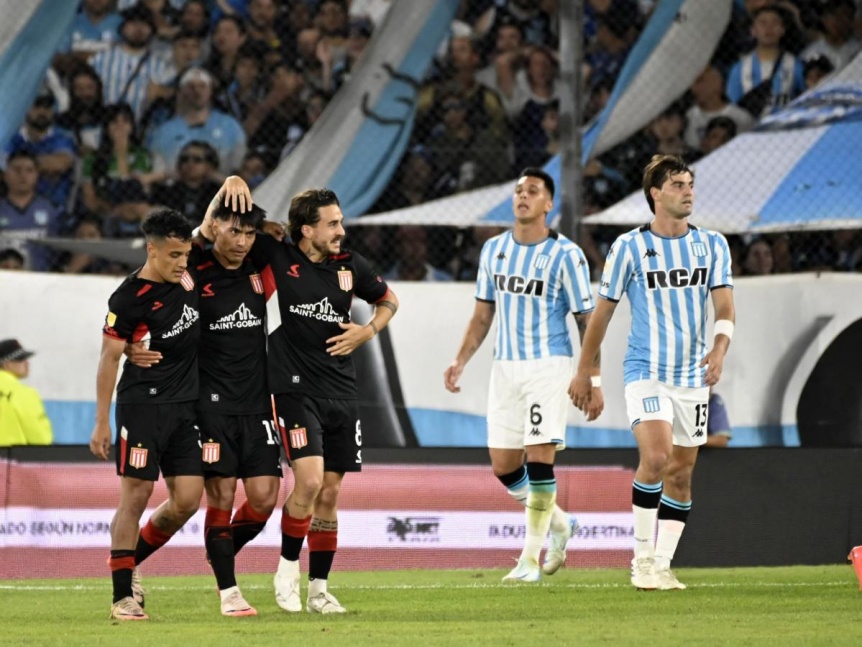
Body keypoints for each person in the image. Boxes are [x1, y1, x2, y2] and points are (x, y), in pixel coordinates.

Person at [199, 183, 399, 614]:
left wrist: (368, 330)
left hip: (342, 390)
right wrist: (227, 190)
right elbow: (214, 232)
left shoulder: (350, 266)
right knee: (308, 481)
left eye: (340, 222)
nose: (340, 230)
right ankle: (287, 570)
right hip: (292, 388)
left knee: (329, 492)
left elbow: (388, 300)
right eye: (332, 224)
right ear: (306, 230)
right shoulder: (276, 254)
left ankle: (319, 590)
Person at [571, 154, 735, 591]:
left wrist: (719, 348)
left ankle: (662, 564)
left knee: (681, 473)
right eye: (678, 184)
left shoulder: (713, 245)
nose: (688, 192)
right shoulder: (627, 247)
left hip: (692, 376)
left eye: (690, 184)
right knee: (658, 457)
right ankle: (641, 560)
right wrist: (585, 372)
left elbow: (724, 307)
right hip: (645, 370)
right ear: (655, 194)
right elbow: (601, 315)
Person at [128, 181, 280, 617]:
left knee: (267, 498)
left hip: (255, 405)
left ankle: (215, 550)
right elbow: (169, 262)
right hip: (208, 404)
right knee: (220, 496)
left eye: (249, 233)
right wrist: (224, 189)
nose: (242, 241)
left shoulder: (257, 267)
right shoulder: (193, 269)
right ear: (215, 228)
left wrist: (271, 228)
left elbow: (284, 240)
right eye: (234, 231)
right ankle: (228, 592)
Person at [443, 167, 603, 583]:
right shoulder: (494, 250)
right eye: (517, 190)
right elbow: (483, 314)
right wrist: (461, 360)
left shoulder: (566, 254)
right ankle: (560, 523)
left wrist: (592, 378)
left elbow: (587, 321)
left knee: (539, 460)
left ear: (549, 204)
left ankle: (529, 560)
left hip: (548, 366)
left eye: (532, 191)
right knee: (504, 465)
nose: (523, 196)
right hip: (504, 368)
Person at [90, 208, 204, 621]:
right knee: (135, 495)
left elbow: (209, 227)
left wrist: (230, 181)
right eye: (173, 255)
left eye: (186, 255)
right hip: (142, 408)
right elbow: (109, 359)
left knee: (188, 500)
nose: (182, 263)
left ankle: (128, 560)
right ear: (152, 250)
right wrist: (102, 420)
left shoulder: (188, 276)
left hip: (184, 408)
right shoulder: (127, 298)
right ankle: (122, 597)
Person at [0, 339, 53, 447]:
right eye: (21, 359)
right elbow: (41, 438)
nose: (27, 363)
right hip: (11, 460)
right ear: (6, 364)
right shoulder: (24, 393)